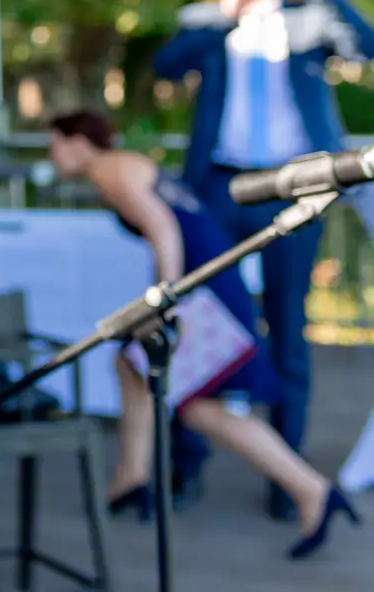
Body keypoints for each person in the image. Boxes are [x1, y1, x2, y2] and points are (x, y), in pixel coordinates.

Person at [47, 110, 359, 559]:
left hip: (204, 284)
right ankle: (131, 479)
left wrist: (165, 301)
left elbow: (163, 229)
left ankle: (311, 489)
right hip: (208, 277)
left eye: (54, 143)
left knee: (198, 405)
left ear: (77, 141)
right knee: (134, 364)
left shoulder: (110, 171)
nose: (52, 155)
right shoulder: (123, 164)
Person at [154, 0, 374, 518]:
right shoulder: (209, 21)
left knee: (287, 325)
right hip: (220, 186)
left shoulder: (312, 22)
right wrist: (232, 1)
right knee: (200, 319)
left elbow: (368, 46)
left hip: (296, 185)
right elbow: (166, 67)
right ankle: (186, 462)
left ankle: (287, 475)